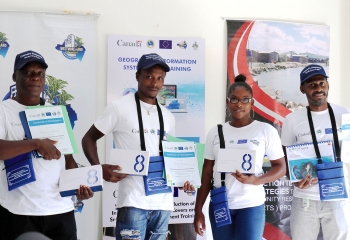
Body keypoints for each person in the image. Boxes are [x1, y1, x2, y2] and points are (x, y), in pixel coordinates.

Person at [82, 53, 193, 240]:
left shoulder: (168, 116)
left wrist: (183, 179)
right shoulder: (119, 108)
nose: (154, 83)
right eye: (149, 76)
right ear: (137, 76)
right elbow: (88, 138)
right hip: (133, 201)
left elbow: (171, 157)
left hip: (163, 203)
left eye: (160, 78)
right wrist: (98, 168)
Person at [0, 50, 93, 240]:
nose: (35, 78)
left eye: (40, 73)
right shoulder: (4, 110)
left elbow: (68, 159)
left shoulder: (57, 111)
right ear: (14, 76)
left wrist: (78, 188)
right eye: (28, 73)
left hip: (61, 210)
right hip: (19, 212)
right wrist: (35, 143)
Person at [194, 74, 286, 240]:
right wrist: (198, 210)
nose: (239, 104)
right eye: (234, 99)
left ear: (252, 103)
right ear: (227, 102)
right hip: (220, 204)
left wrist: (257, 180)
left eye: (245, 99)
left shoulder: (265, 131)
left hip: (250, 205)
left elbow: (281, 167)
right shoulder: (215, 132)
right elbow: (207, 174)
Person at [281, 64, 350, 240]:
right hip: (305, 198)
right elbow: (284, 159)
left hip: (338, 197)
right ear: (302, 89)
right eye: (311, 85)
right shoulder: (292, 120)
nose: (318, 88)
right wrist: (294, 180)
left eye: (321, 82)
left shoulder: (345, 115)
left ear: (327, 85)